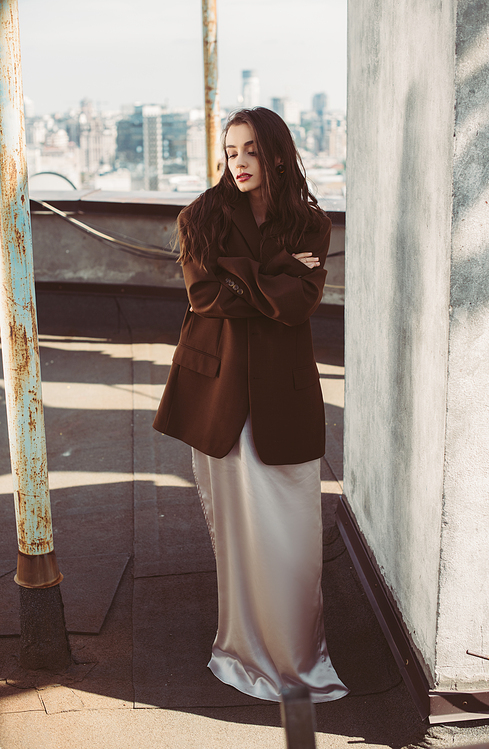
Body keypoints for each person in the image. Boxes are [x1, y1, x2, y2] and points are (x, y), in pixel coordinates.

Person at [153, 107, 349, 703]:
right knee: (239, 532)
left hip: (283, 394)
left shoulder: (309, 224)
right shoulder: (200, 217)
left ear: (278, 154)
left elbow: (300, 304)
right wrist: (275, 275)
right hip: (219, 392)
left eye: (251, 151)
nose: (237, 162)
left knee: (292, 532)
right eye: (230, 151)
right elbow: (205, 295)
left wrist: (253, 279)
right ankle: (239, 649)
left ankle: (295, 655)